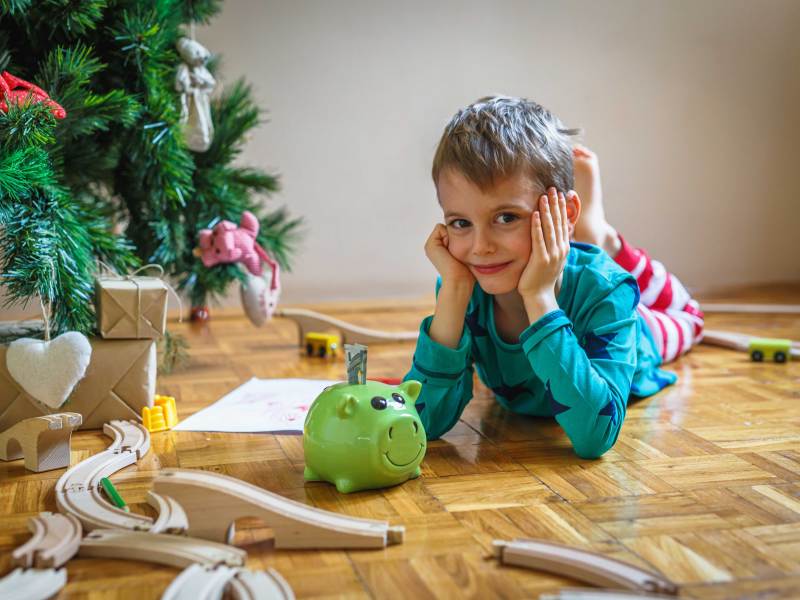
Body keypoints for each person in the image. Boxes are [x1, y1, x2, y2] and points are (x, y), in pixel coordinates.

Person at [403, 96, 704, 458]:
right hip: (568, 286)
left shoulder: (606, 289)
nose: (480, 247)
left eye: (506, 217)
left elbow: (595, 436)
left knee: (689, 317)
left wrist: (540, 296)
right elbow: (419, 426)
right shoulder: (462, 285)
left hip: (641, 334)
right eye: (461, 223)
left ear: (564, 213)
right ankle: (591, 234)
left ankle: (597, 233)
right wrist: (452, 291)